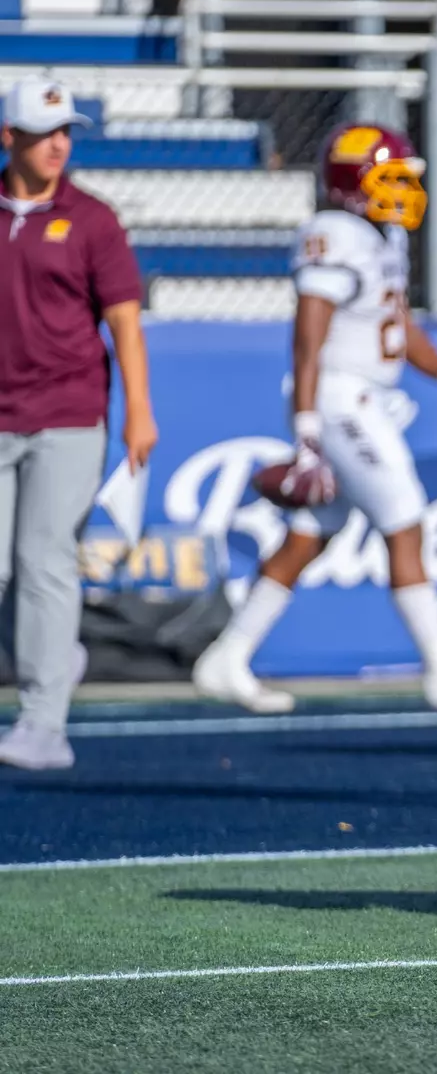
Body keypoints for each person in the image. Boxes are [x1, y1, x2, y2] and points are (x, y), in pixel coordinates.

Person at [192, 123, 437, 715]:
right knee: (405, 519)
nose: (402, 190)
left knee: (312, 533)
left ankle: (227, 655)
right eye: (389, 177)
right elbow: (308, 335)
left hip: (365, 399)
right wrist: (308, 429)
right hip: (340, 400)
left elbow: (397, 323)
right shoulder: (334, 233)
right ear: (351, 183)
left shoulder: (382, 235)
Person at [0, 78, 158, 771]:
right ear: (10, 139)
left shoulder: (92, 219)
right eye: (45, 132)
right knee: (8, 570)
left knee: (43, 559)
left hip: (69, 413)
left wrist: (139, 411)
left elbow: (124, 319)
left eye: (67, 131)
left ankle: (44, 720)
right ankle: (55, 656)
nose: (60, 144)